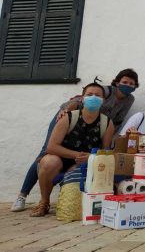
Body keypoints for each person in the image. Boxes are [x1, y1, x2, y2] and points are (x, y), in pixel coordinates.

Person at [12, 69, 139, 212]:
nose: (127, 85)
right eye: (124, 82)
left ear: (135, 86)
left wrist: (106, 132)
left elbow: (117, 121)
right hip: (72, 118)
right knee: (45, 156)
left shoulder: (129, 100)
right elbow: (77, 100)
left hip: (97, 124)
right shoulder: (104, 91)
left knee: (90, 157)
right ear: (117, 82)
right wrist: (66, 111)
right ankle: (23, 195)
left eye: (131, 83)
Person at [30, 83, 115, 217]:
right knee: (49, 162)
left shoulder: (107, 123)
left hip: (84, 162)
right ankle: (44, 202)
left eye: (97, 95)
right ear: (82, 98)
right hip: (60, 158)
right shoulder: (69, 117)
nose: (93, 97)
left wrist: (91, 157)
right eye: (89, 94)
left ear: (103, 100)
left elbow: (106, 152)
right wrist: (76, 154)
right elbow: (51, 146)